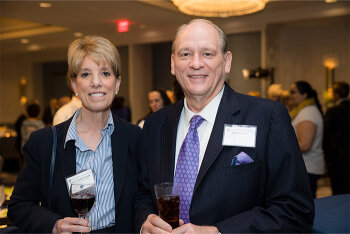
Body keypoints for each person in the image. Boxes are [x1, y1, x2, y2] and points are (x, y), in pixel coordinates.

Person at [135, 19, 314, 233]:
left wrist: (217, 231)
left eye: (208, 54)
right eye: (185, 54)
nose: (196, 63)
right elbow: (142, 194)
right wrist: (144, 222)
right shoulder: (155, 124)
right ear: (173, 63)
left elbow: (295, 210)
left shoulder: (267, 117)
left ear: (227, 62)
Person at [8, 35, 141, 233]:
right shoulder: (45, 142)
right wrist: (55, 224)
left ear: (117, 83)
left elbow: (143, 198)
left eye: (105, 73)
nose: (96, 82)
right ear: (74, 85)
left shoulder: (134, 138)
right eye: (86, 74)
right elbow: (18, 207)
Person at [289, 81, 325, 198]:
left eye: (293, 92)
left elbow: (305, 145)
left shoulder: (308, 113)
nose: (290, 95)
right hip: (305, 167)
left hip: (307, 167)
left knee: (304, 203)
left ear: (304, 95)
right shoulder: (303, 110)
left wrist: (281, 148)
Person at [323, 81, 349, 195]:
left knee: (338, 189)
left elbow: (327, 135)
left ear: (337, 94)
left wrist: (327, 157)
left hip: (336, 156)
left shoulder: (333, 111)